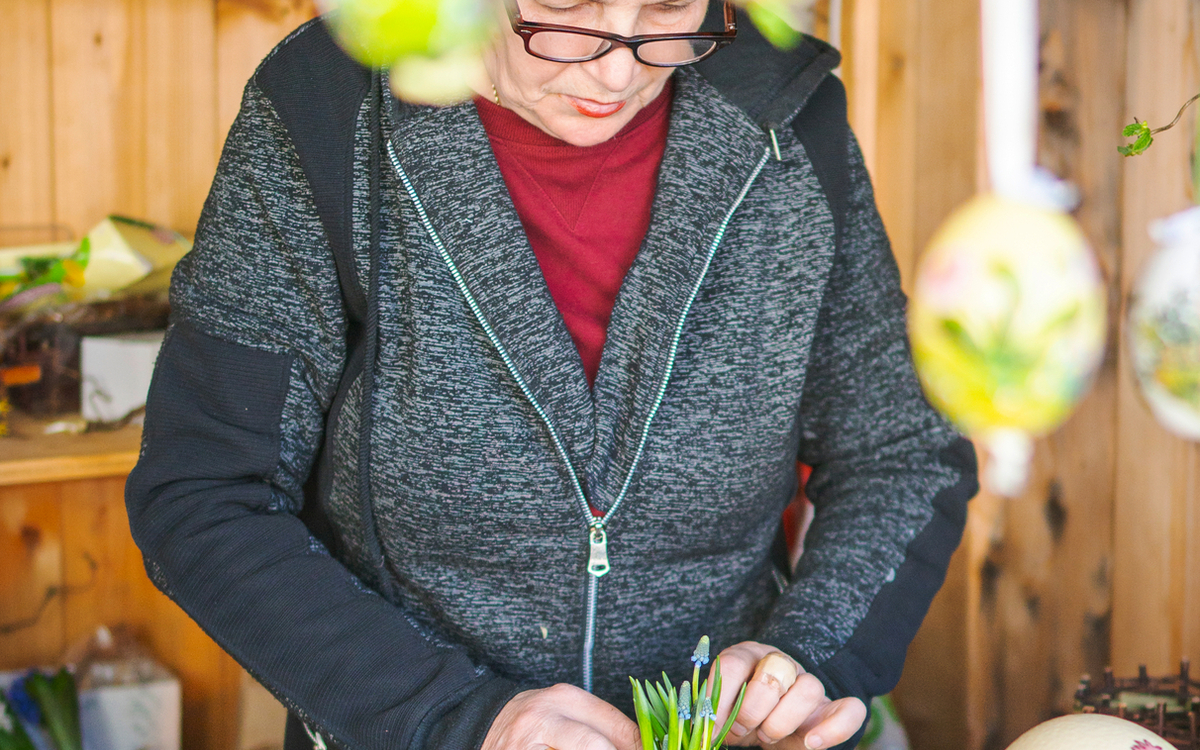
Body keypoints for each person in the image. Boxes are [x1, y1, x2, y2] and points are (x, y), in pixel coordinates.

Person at [125, 0, 978, 748]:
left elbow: (901, 452)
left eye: (669, 7)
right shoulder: (326, 106)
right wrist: (464, 720)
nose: (616, 64)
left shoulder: (790, 118)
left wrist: (807, 658)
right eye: (568, 4)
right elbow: (204, 493)